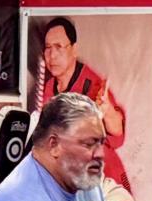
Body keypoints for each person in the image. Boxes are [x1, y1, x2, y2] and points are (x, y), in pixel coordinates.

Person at [41, 16, 130, 191]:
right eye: (48, 48)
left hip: (105, 183)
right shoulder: (49, 87)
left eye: (59, 47)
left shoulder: (94, 85)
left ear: (74, 50)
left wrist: (107, 111)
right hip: (71, 180)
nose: (52, 55)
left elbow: (118, 135)